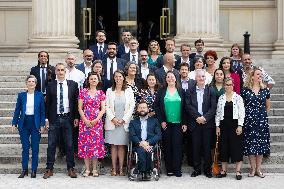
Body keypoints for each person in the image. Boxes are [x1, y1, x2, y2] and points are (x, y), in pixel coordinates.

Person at [43, 63, 79, 179]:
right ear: (55, 72)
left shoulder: (73, 85)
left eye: (62, 70)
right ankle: (49, 169)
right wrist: (46, 119)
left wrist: (76, 117)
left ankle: (70, 168)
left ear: (66, 72)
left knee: (69, 144)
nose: (60, 72)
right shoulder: (50, 85)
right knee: (51, 144)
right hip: (54, 118)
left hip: (68, 118)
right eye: (58, 70)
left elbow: (75, 103)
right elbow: (47, 104)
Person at [11, 75, 45, 178]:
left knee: (35, 148)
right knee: (25, 147)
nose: (31, 83)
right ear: (26, 83)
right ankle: (24, 169)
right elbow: (17, 110)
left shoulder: (39, 95)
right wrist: (14, 122)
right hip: (24, 123)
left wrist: (42, 124)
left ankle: (34, 170)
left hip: (35, 123)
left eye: (33, 81)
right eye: (29, 81)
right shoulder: (21, 95)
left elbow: (42, 112)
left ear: (35, 84)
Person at [155, 71, 187, 177]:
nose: (170, 78)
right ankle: (169, 169)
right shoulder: (161, 91)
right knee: (167, 146)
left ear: (176, 78)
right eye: (168, 77)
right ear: (165, 79)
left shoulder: (181, 91)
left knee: (177, 146)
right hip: (166, 124)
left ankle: (177, 169)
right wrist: (161, 121)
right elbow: (157, 107)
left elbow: (185, 108)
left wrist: (184, 122)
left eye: (172, 77)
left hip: (178, 123)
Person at [185, 69, 216, 178]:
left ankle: (207, 170)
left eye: (203, 76)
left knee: (207, 147)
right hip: (194, 123)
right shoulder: (190, 90)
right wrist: (197, 117)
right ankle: (197, 169)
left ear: (205, 78)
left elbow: (213, 108)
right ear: (195, 78)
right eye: (199, 77)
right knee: (195, 147)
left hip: (207, 124)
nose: (201, 78)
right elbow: (188, 106)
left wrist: (204, 118)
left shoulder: (210, 90)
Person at [241, 67, 271, 178]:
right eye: (258, 74)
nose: (260, 76)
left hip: (261, 121)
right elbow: (242, 105)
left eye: (261, 74)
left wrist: (262, 115)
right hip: (249, 120)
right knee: (251, 144)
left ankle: (258, 169)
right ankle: (252, 169)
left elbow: (268, 106)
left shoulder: (265, 90)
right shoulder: (245, 90)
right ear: (252, 76)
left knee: (261, 144)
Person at [105, 70, 135, 176]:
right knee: (113, 146)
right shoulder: (109, 90)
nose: (118, 78)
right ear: (114, 78)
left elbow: (132, 106)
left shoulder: (129, 90)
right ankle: (114, 168)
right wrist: (113, 118)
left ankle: (121, 169)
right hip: (112, 122)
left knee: (122, 146)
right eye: (116, 76)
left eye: (120, 76)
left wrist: (124, 119)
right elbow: (106, 106)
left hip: (124, 122)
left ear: (124, 78)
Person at [215, 77, 245, 180]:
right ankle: (223, 170)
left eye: (230, 84)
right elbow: (218, 113)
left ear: (233, 86)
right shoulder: (221, 98)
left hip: (235, 125)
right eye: (226, 85)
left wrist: (240, 125)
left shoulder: (238, 98)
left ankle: (238, 171)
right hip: (223, 126)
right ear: (224, 86)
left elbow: (242, 113)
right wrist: (217, 126)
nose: (228, 86)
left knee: (236, 147)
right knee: (223, 148)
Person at [78, 72, 106, 177]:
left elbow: (103, 109)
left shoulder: (101, 93)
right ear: (88, 80)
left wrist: (96, 119)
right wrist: (84, 119)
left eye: (95, 79)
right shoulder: (83, 92)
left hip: (96, 121)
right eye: (91, 79)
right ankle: (87, 169)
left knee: (95, 145)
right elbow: (80, 108)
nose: (93, 80)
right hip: (85, 121)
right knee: (86, 145)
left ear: (98, 81)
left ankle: (94, 169)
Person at [129, 101, 162, 180]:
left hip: (151, 144)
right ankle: (146, 172)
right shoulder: (133, 122)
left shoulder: (154, 121)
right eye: (140, 108)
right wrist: (141, 143)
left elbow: (158, 135)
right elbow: (132, 136)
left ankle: (140, 171)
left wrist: (147, 143)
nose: (142, 109)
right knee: (142, 151)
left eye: (144, 107)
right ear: (137, 110)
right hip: (138, 145)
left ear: (148, 110)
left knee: (148, 150)